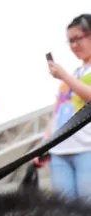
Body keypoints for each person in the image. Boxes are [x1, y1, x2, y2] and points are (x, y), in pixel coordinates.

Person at [34, 14, 91, 199]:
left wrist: (64, 76)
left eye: (78, 39)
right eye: (70, 41)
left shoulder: (69, 76)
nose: (74, 46)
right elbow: (57, 113)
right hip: (60, 151)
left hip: (87, 148)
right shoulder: (75, 73)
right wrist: (44, 144)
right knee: (66, 215)